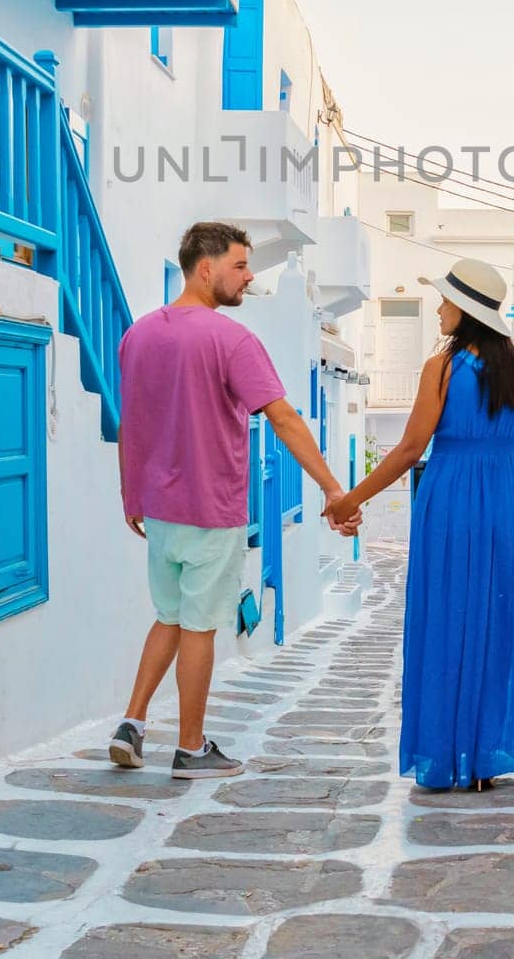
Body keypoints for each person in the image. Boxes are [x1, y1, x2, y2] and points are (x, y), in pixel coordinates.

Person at [109, 221, 359, 780]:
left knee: (168, 617)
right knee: (199, 626)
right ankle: (191, 749)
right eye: (240, 266)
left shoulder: (139, 335)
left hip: (158, 509)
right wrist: (330, 486)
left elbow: (132, 421)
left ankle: (132, 722)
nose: (248, 278)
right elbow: (283, 416)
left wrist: (131, 492)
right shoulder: (231, 340)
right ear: (206, 269)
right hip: (210, 507)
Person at [329, 257, 514, 791]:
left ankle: (447, 753)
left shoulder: (442, 369)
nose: (439, 308)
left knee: (446, 617)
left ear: (467, 310)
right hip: (503, 502)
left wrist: (349, 499)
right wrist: (504, 499)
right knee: (496, 623)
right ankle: (486, 759)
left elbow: (408, 449)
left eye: (446, 300)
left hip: (448, 500)